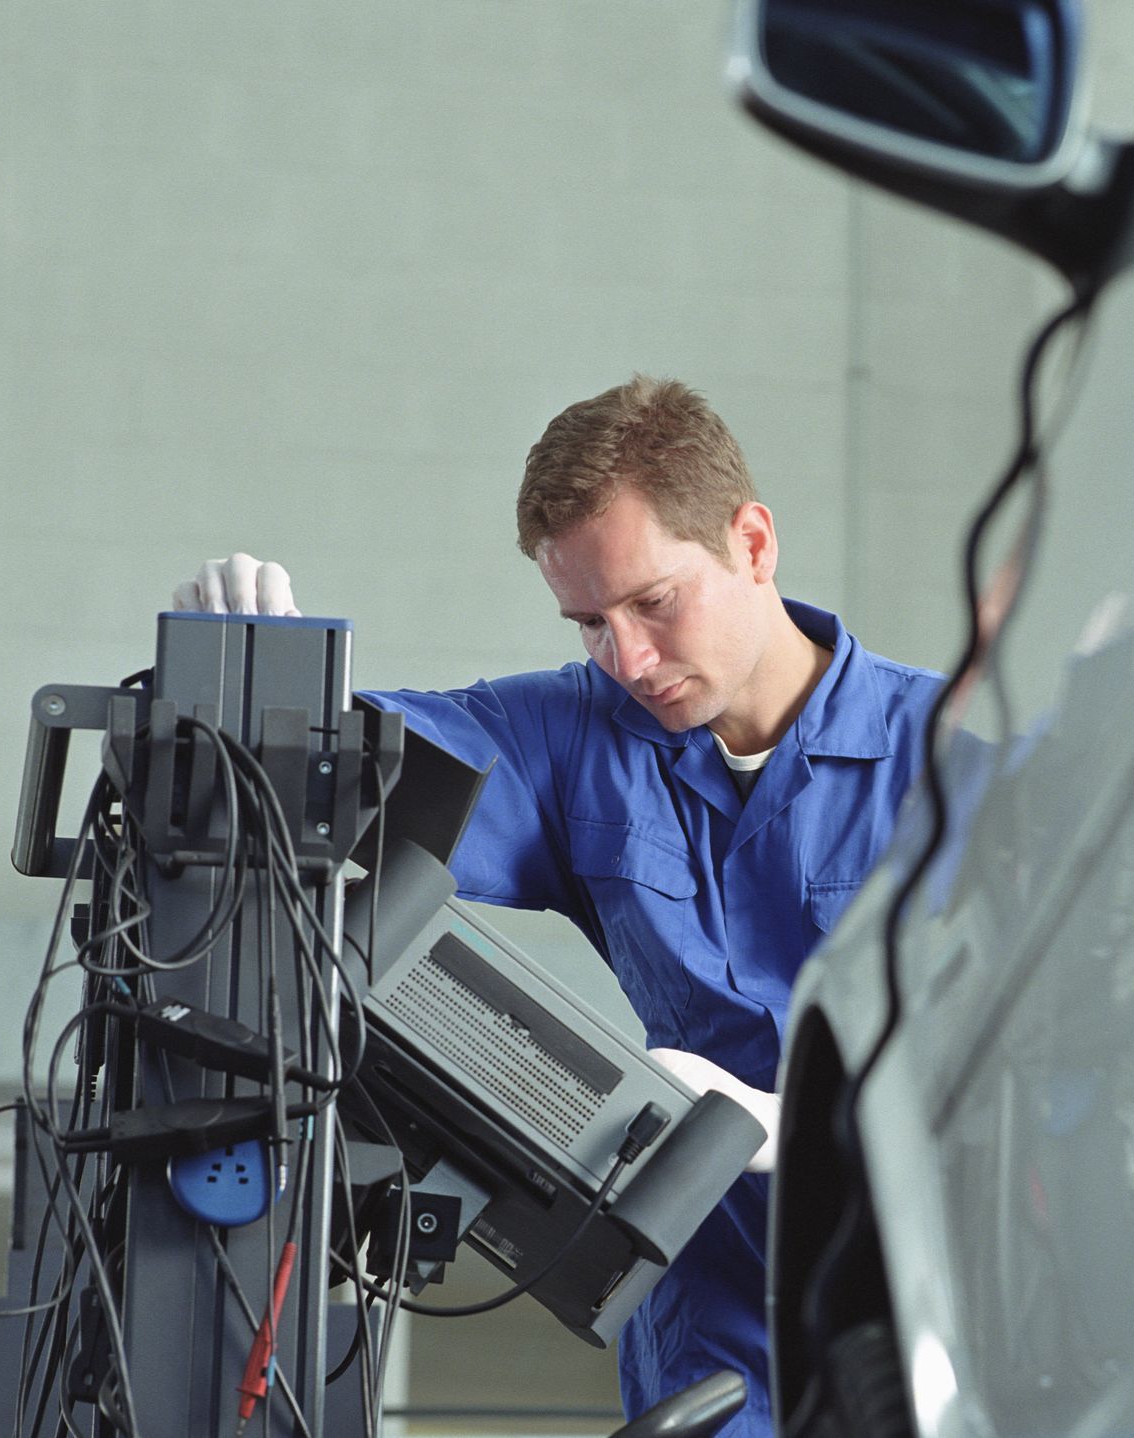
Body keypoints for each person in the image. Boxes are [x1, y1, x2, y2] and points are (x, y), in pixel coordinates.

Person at [175, 375, 943, 1438]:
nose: (628, 660)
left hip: (922, 1296)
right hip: (704, 1300)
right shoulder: (582, 737)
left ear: (753, 544)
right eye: (589, 623)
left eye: (654, 603)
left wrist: (804, 1125)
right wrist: (266, 687)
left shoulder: (954, 761)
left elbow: (1053, 1057)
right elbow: (371, 769)